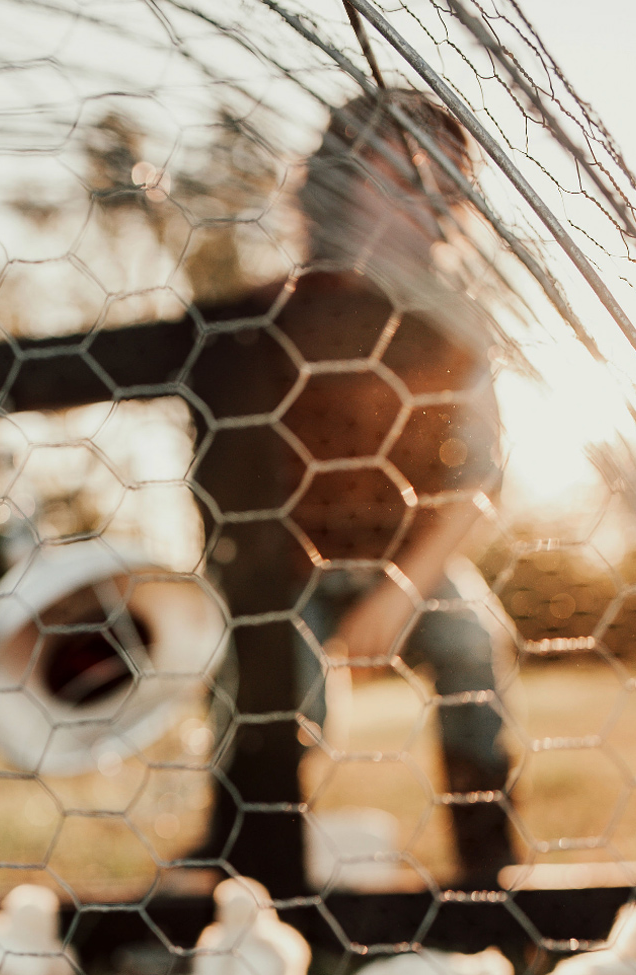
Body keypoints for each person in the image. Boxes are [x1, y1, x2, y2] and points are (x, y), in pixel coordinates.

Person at [194, 90, 513, 893]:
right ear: (338, 181)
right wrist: (264, 573)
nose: (424, 198)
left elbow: (481, 475)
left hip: (407, 555)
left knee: (472, 637)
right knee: (277, 683)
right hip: (287, 565)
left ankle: (490, 862)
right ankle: (242, 857)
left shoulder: (452, 323)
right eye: (399, 174)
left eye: (439, 182)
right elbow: (218, 475)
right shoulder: (269, 315)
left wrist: (402, 589)